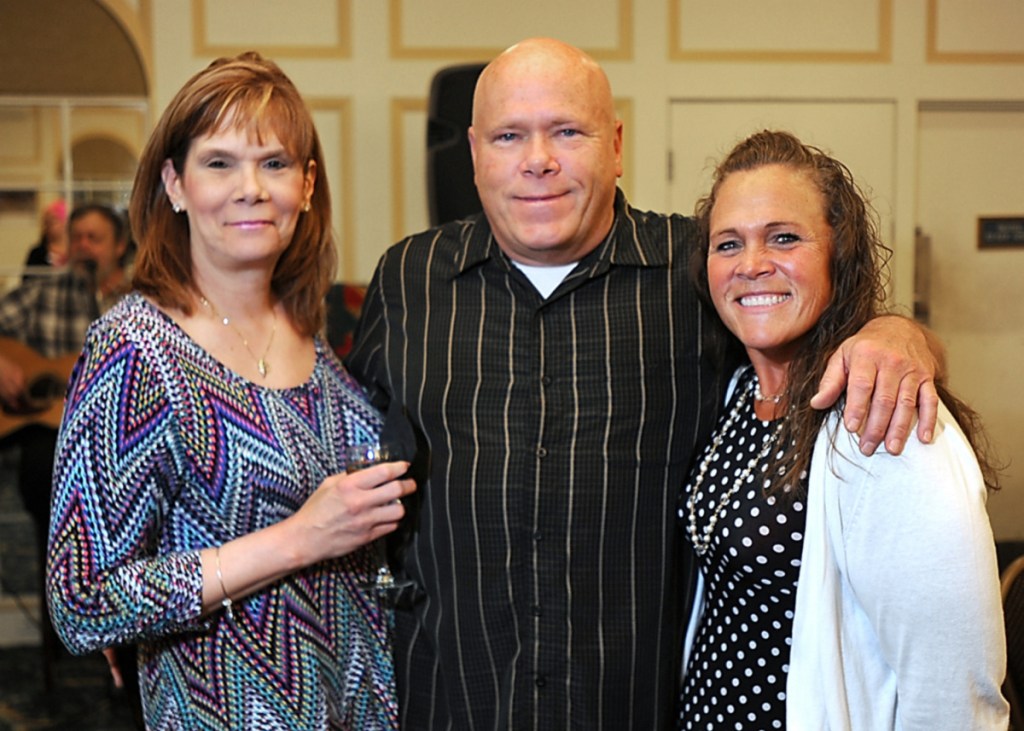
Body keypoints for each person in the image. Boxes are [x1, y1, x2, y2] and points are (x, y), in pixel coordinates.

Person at [346, 38, 941, 730]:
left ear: (616, 144)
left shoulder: (696, 274)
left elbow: (812, 332)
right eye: (510, 136)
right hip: (453, 704)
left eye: (567, 131)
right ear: (476, 153)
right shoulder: (407, 280)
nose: (538, 160)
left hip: (638, 708)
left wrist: (899, 334)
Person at [45, 52, 415, 730]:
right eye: (219, 162)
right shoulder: (137, 350)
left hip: (360, 703)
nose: (251, 187)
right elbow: (82, 600)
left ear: (306, 186)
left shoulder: (310, 325)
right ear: (174, 184)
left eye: (274, 163)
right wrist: (300, 538)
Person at [679, 130, 1007, 729]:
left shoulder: (880, 416)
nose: (752, 264)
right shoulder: (736, 393)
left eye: (784, 237)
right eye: (729, 243)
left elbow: (956, 687)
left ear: (839, 254)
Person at [0, 201, 131, 691]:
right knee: (40, 465)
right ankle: (70, 591)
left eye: (94, 238)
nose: (82, 247)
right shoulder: (44, 293)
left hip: (117, 444)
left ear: (120, 246)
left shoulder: (139, 300)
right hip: (55, 444)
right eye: (75, 237)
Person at [22, 198, 69, 279]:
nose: (47, 225)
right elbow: (27, 281)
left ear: (65, 222)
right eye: (45, 222)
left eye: (53, 221)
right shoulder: (37, 254)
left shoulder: (76, 252)